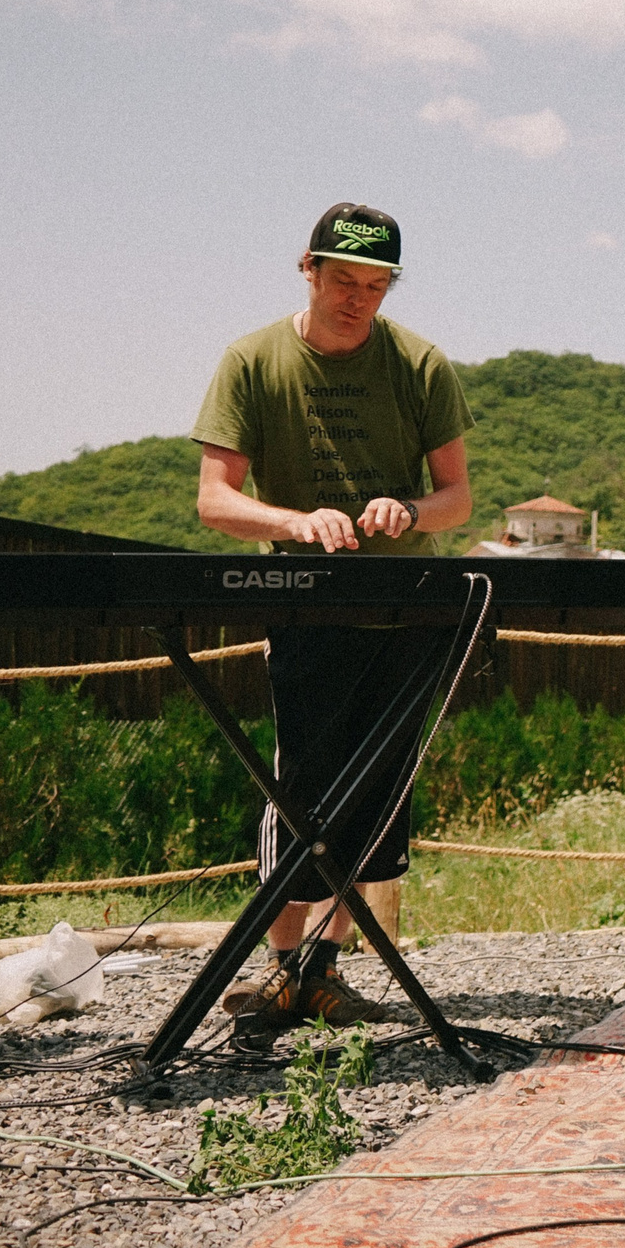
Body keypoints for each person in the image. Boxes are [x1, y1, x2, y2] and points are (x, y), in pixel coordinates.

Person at [191, 202, 475, 1030]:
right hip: (305, 604)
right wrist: (294, 523)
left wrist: (409, 512)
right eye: (344, 279)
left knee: (378, 796)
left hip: (401, 608)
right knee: (301, 784)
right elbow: (214, 500)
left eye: (375, 284)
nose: (358, 298)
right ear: (307, 269)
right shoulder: (252, 360)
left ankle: (322, 968)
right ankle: (284, 964)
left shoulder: (421, 364)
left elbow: (457, 498)